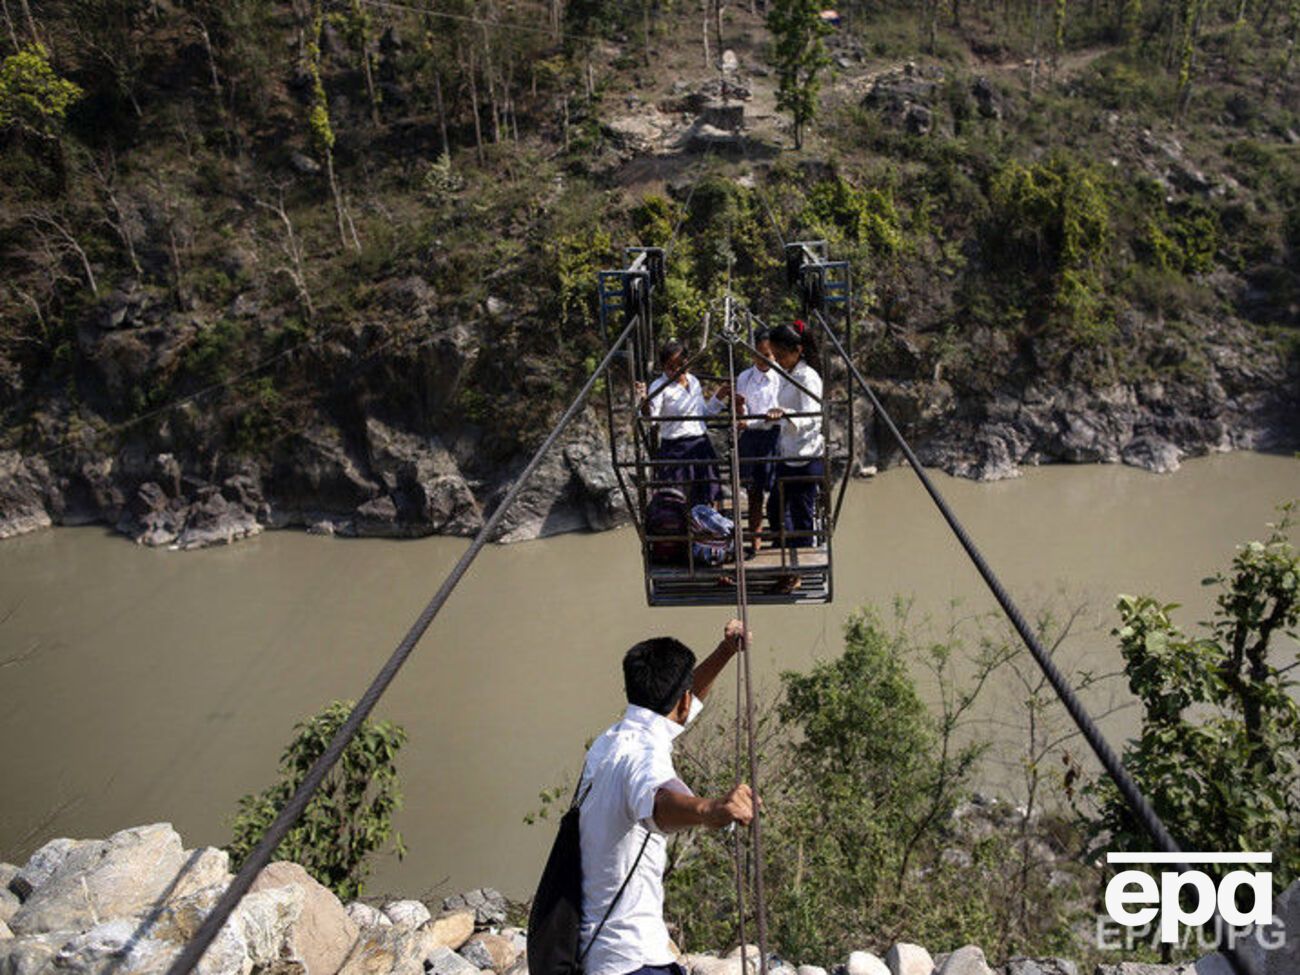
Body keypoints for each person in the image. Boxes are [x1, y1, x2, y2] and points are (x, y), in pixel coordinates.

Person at [577, 621, 758, 975]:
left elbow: (685, 704)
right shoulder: (643, 757)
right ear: (683, 699)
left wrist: (725, 652)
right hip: (631, 959)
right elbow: (658, 802)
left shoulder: (611, 741)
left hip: (599, 950)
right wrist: (712, 809)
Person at [764, 321, 825, 591]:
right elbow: (767, 367)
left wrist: (785, 414)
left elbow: (813, 416)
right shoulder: (787, 370)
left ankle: (796, 572)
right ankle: (784, 565)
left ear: (797, 350)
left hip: (806, 456)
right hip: (787, 453)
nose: (776, 359)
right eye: (774, 354)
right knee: (776, 510)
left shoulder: (808, 377)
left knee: (800, 516)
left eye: (780, 354)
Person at [635, 339, 729, 507]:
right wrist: (644, 401)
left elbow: (703, 414)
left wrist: (719, 396)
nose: (677, 371)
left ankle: (708, 527)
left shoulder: (693, 382)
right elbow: (652, 418)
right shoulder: (659, 386)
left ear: (688, 363)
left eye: (681, 365)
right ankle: (685, 530)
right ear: (663, 366)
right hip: (675, 448)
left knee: (707, 494)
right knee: (678, 498)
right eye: (671, 367)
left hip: (700, 445)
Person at [732, 328, 782, 557]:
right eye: (760, 355)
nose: (764, 360)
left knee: (778, 490)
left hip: (775, 435)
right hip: (752, 437)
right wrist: (740, 411)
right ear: (752, 354)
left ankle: (780, 535)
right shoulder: (745, 377)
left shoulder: (782, 375)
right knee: (754, 492)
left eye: (769, 355)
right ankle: (756, 541)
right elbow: (741, 411)